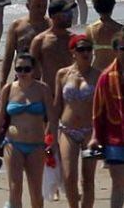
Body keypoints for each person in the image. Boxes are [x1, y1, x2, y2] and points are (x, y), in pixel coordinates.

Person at [0, 53, 55, 208]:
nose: (23, 73)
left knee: (36, 191)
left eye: (27, 69)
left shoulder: (42, 89)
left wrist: (53, 141)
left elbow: (52, 119)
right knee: (15, 188)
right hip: (13, 144)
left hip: (37, 145)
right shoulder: (8, 89)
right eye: (19, 69)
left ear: (33, 70)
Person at [54, 35, 99, 208]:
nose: (86, 52)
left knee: (88, 179)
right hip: (67, 130)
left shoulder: (98, 75)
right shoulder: (63, 74)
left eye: (89, 49)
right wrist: (49, 130)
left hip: (90, 132)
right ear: (73, 52)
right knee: (68, 176)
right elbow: (57, 104)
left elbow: (102, 108)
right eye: (81, 49)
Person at [91, 30, 124, 208]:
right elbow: (98, 111)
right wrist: (96, 136)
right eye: (123, 48)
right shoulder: (106, 77)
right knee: (118, 184)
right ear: (116, 50)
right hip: (115, 139)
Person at [0, 0, 50, 89]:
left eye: (44, 6)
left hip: (44, 80)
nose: (42, 10)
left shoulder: (50, 26)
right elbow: (8, 56)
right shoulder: (17, 26)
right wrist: (3, 82)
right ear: (28, 6)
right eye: (38, 6)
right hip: (22, 76)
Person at [31, 0, 76, 98]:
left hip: (71, 94)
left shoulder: (74, 40)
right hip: (48, 94)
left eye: (71, 12)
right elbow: (32, 71)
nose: (71, 16)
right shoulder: (40, 40)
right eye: (66, 13)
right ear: (54, 16)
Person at [85, 0, 122, 71]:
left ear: (96, 7)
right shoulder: (121, 29)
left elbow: (86, 55)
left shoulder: (90, 29)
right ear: (112, 6)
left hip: (96, 72)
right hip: (115, 71)